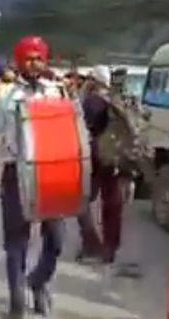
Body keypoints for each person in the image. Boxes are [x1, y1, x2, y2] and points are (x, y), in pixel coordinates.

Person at [0, 36, 65, 317]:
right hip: (16, 173)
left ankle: (39, 281)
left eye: (39, 58)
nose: (34, 63)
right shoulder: (4, 94)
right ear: (20, 62)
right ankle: (16, 298)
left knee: (56, 239)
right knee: (17, 240)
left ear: (45, 61)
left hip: (52, 173)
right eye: (29, 58)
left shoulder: (57, 92)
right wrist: (11, 147)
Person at [76, 65, 124, 264]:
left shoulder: (92, 100)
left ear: (93, 80)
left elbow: (82, 126)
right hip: (115, 155)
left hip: (96, 155)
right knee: (112, 203)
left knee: (82, 200)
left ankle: (91, 245)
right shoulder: (116, 98)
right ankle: (110, 248)